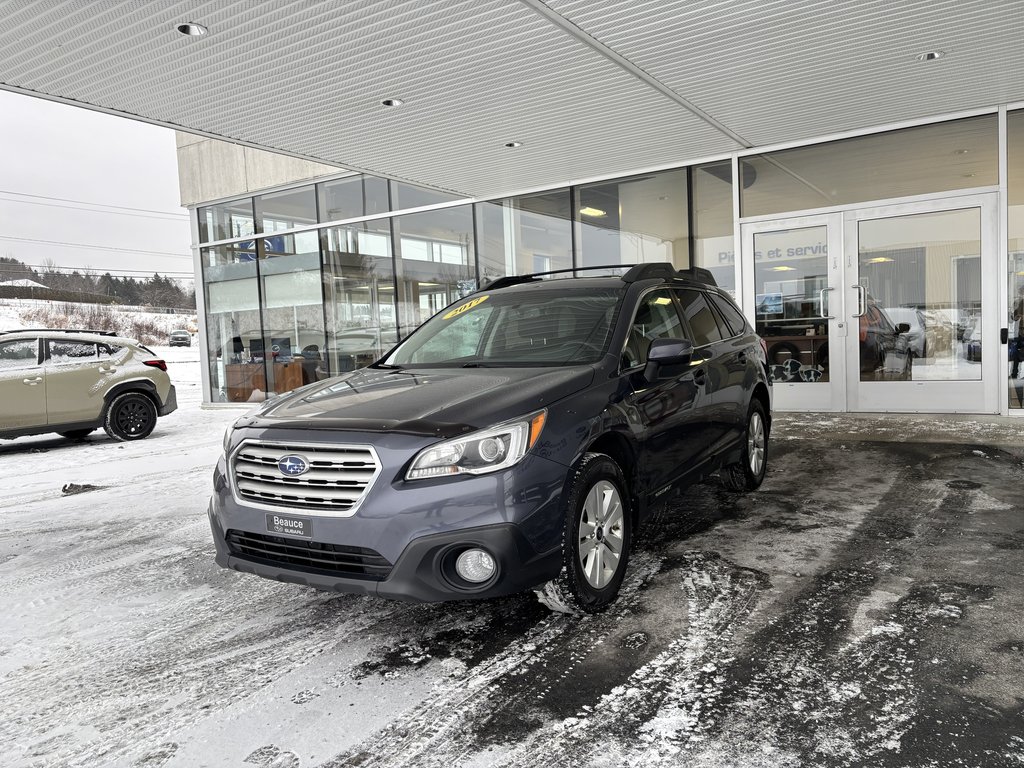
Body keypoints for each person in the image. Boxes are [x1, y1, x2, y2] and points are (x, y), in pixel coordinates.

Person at [1012, 287, 1024, 379]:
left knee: (1018, 354)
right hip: (1021, 332)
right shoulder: (1020, 303)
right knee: (1016, 354)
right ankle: (1014, 373)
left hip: (1021, 332)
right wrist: (1016, 316)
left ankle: (1015, 373)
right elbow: (1014, 317)